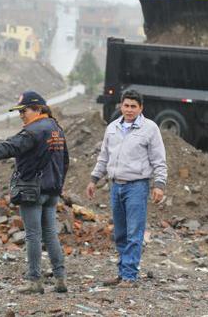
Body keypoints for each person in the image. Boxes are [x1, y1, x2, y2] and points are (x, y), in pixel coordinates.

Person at [0, 91, 69, 294]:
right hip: (52, 190)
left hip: (32, 190)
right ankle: (60, 279)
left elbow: (8, 147)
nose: (21, 115)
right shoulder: (57, 128)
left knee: (33, 236)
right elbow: (65, 161)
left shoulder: (33, 131)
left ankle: (34, 281)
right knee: (50, 234)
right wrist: (58, 184)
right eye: (19, 111)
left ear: (37, 109)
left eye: (24, 110)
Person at [86, 90, 167, 288]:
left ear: (141, 108)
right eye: (126, 105)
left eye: (133, 106)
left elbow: (159, 160)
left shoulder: (150, 129)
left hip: (137, 187)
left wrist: (159, 184)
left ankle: (130, 276)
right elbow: (103, 157)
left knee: (134, 233)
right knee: (120, 233)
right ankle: (122, 273)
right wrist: (93, 179)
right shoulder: (113, 128)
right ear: (120, 106)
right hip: (116, 186)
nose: (129, 110)